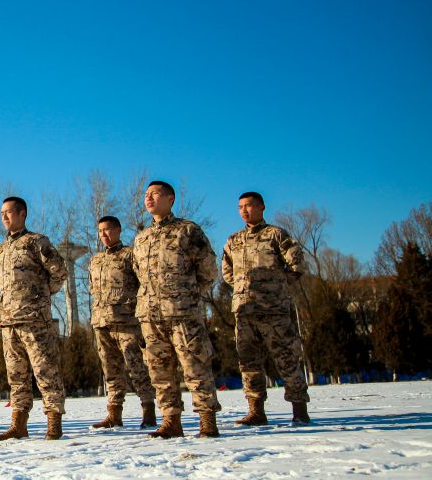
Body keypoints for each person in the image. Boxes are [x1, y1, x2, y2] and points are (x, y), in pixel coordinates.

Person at [132, 180, 222, 438]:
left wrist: (188, 296)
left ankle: (207, 419)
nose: (148, 198)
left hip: (183, 313)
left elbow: (207, 269)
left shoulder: (187, 231)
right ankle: (171, 420)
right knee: (159, 371)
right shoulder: (141, 239)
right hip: (150, 315)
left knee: (195, 365)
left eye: (155, 194)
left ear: (170, 199)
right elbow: (139, 274)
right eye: (146, 194)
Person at [222, 191, 311, 425]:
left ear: (261, 207)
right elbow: (227, 272)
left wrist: (276, 287)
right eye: (240, 206)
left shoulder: (276, 235)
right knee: (248, 363)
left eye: (249, 206)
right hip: (245, 311)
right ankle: (256, 410)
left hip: (274, 311)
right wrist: (244, 289)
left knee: (287, 358)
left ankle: (299, 410)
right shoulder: (234, 240)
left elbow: (297, 264)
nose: (244, 210)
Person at [0, 196, 68, 441]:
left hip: (34, 320)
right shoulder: (1, 249)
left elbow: (59, 271)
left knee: (45, 371)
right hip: (8, 321)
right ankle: (19, 424)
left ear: (23, 213)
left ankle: (53, 422)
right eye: (2, 213)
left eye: (9, 212)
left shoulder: (36, 242)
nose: (4, 216)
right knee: (16, 376)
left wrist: (41, 296)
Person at [88, 215, 157, 429]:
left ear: (118, 230)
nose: (104, 235)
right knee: (110, 370)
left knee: (137, 368)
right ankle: (114, 414)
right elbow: (93, 289)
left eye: (108, 230)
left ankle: (148, 410)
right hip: (102, 322)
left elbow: (144, 283)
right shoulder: (96, 260)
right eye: (100, 231)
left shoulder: (130, 255)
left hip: (127, 322)